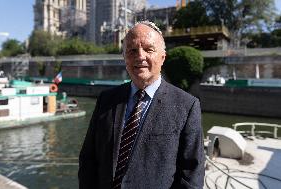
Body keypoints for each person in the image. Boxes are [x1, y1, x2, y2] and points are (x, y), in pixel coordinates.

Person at [78, 21, 205, 189]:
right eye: (132, 50)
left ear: (162, 57)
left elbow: (191, 175)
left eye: (149, 49)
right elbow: (88, 159)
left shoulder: (187, 106)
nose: (140, 56)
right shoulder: (106, 100)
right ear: (124, 57)